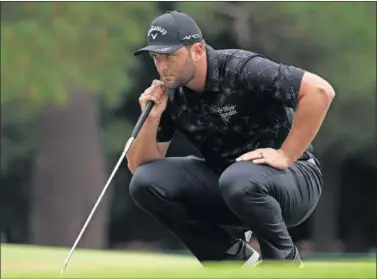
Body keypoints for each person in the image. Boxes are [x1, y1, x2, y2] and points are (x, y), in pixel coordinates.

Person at [127, 10, 335, 267]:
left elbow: (320, 91)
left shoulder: (242, 69)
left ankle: (284, 263)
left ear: (198, 51)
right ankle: (232, 260)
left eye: (170, 55)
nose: (162, 67)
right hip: (229, 185)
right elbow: (141, 166)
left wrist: (285, 154)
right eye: (156, 57)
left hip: (295, 178)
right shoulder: (171, 95)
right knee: (145, 182)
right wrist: (151, 119)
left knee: (238, 179)